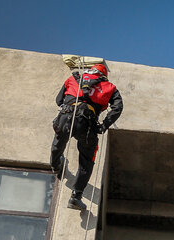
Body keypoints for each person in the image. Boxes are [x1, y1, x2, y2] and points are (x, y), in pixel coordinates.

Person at [51, 63, 123, 210]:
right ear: (103, 75)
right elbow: (118, 108)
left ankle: (55, 164)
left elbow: (58, 100)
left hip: (66, 116)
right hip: (87, 123)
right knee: (87, 160)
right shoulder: (110, 87)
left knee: (59, 141)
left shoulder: (73, 78)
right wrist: (104, 125)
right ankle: (76, 197)